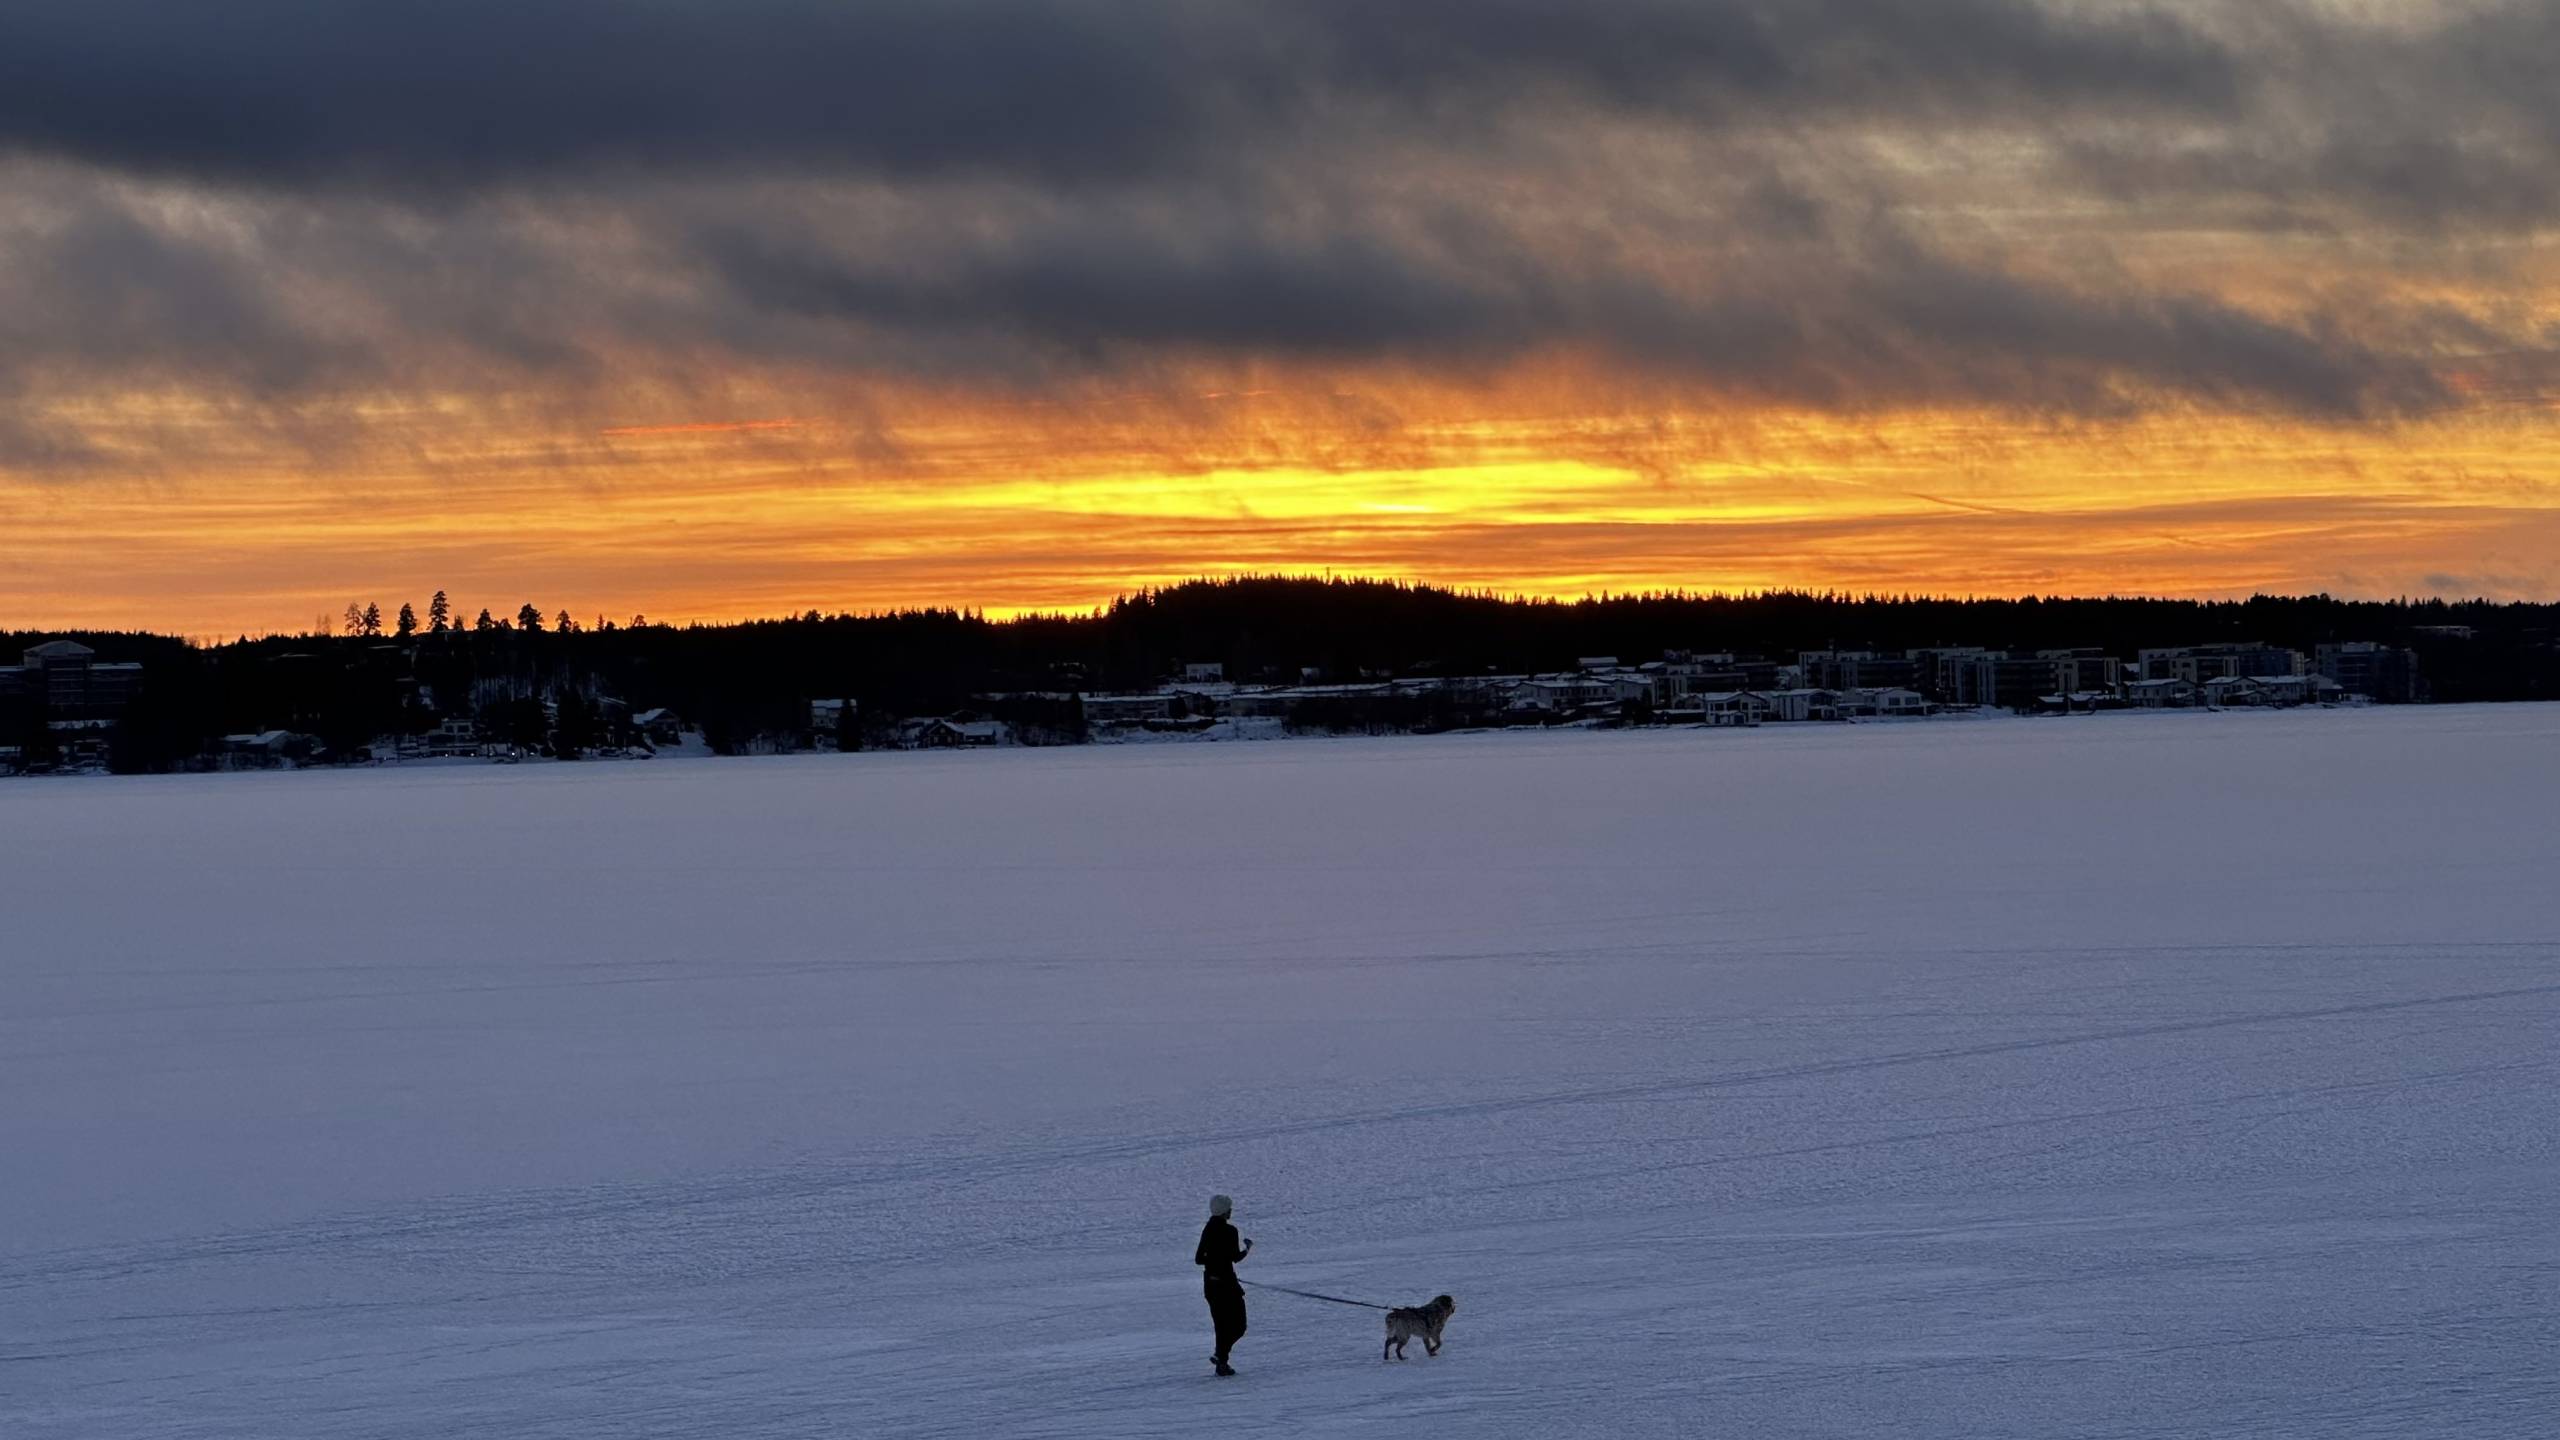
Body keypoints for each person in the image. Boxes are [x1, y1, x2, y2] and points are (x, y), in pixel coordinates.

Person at [1195, 1193, 1252, 1375]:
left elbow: (1198, 1259)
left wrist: (1214, 1261)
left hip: (1211, 1285)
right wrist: (1248, 1248)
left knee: (1221, 1325)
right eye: (1229, 1209)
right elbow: (1235, 1257)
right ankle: (1221, 1355)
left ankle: (1222, 1363)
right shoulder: (1230, 1231)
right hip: (1227, 1285)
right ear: (1225, 1211)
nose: (1231, 1211)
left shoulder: (1207, 1229)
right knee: (1239, 1326)